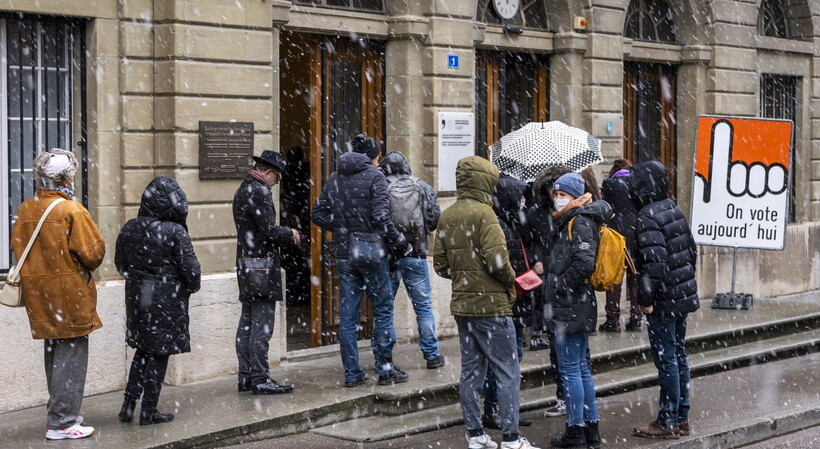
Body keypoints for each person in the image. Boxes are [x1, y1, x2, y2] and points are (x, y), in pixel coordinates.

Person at [434, 156, 540, 449]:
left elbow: (441, 266)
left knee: (470, 372)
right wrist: (510, 280)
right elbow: (498, 262)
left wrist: (465, 273)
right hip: (492, 305)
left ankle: (476, 434)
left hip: (463, 306)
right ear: (484, 181)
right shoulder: (485, 214)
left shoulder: (447, 215)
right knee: (507, 371)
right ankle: (511, 437)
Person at [11, 149, 106, 440]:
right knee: (72, 357)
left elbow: (20, 249)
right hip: (69, 294)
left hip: (42, 295)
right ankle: (63, 422)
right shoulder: (71, 210)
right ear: (65, 178)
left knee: (54, 355)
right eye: (71, 175)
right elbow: (93, 254)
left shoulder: (27, 208)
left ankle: (60, 415)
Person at [312, 135, 413, 387]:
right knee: (383, 308)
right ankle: (385, 370)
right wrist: (398, 240)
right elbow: (380, 217)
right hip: (370, 251)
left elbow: (318, 213)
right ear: (373, 156)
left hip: (345, 253)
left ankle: (352, 375)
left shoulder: (335, 177)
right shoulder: (375, 177)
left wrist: (342, 227)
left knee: (347, 316)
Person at [115, 177, 201, 425]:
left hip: (138, 297)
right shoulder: (175, 232)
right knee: (160, 353)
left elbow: (120, 263)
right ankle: (149, 410)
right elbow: (191, 270)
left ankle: (129, 406)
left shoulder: (130, 227)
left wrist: (140, 282)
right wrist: (187, 287)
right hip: (166, 299)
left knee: (142, 350)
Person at [630, 161, 700, 440]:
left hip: (664, 299)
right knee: (679, 355)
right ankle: (681, 417)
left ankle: (668, 419)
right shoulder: (673, 207)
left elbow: (654, 264)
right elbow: (691, 251)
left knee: (667, 358)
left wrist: (645, 298)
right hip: (679, 295)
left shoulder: (648, 215)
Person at [546, 172, 607, 448]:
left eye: (563, 195)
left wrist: (559, 285)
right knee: (580, 368)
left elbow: (584, 264)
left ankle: (575, 430)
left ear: (576, 197)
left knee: (572, 369)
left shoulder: (579, 221)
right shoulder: (574, 220)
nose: (558, 200)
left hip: (570, 306)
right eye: (556, 194)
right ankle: (589, 429)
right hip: (577, 305)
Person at [233, 150, 299, 395]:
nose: (276, 183)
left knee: (247, 323)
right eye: (277, 178)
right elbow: (269, 231)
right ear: (268, 172)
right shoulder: (259, 191)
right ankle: (260, 378)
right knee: (261, 326)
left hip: (246, 262)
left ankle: (246, 376)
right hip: (261, 265)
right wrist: (289, 234)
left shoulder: (243, 189)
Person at [379, 151, 445, 369]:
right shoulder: (422, 186)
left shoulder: (381, 186)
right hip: (415, 253)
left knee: (385, 307)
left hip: (388, 254)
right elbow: (434, 220)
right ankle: (432, 355)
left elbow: (377, 219)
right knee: (423, 306)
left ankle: (385, 357)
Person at [482, 174, 533, 431]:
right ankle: (494, 409)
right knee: (504, 360)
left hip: (517, 301)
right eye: (519, 195)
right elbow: (502, 265)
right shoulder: (500, 224)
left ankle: (506, 409)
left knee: (513, 357)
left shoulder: (513, 221)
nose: (523, 200)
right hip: (508, 301)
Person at [525, 165, 572, 419]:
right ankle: (563, 396)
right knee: (556, 346)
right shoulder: (537, 213)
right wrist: (536, 258)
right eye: (552, 190)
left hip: (566, 285)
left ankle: (569, 398)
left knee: (569, 348)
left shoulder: (571, 214)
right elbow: (531, 240)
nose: (556, 194)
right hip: (548, 282)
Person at [599, 159, 641, 333]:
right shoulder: (638, 183)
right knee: (635, 277)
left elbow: (607, 208)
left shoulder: (609, 184)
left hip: (616, 236)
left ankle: (613, 319)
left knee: (615, 277)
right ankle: (636, 318)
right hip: (637, 233)